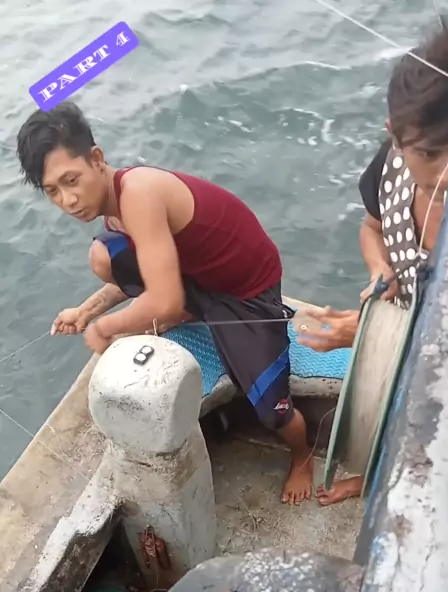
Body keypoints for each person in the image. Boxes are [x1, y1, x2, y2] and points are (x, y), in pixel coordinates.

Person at [16, 103, 313, 505]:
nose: (68, 200)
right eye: (53, 191)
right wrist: (85, 312)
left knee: (270, 407)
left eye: (72, 180)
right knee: (104, 256)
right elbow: (152, 271)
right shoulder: (113, 211)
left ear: (97, 159)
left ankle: (303, 455)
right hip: (200, 279)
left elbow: (167, 302)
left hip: (246, 294)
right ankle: (195, 309)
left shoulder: (138, 195)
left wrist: (107, 328)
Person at [297, 15, 448, 506]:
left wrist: (370, 336)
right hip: (411, 335)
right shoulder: (391, 165)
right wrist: (382, 267)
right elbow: (372, 227)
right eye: (431, 154)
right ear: (394, 137)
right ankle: (375, 473)